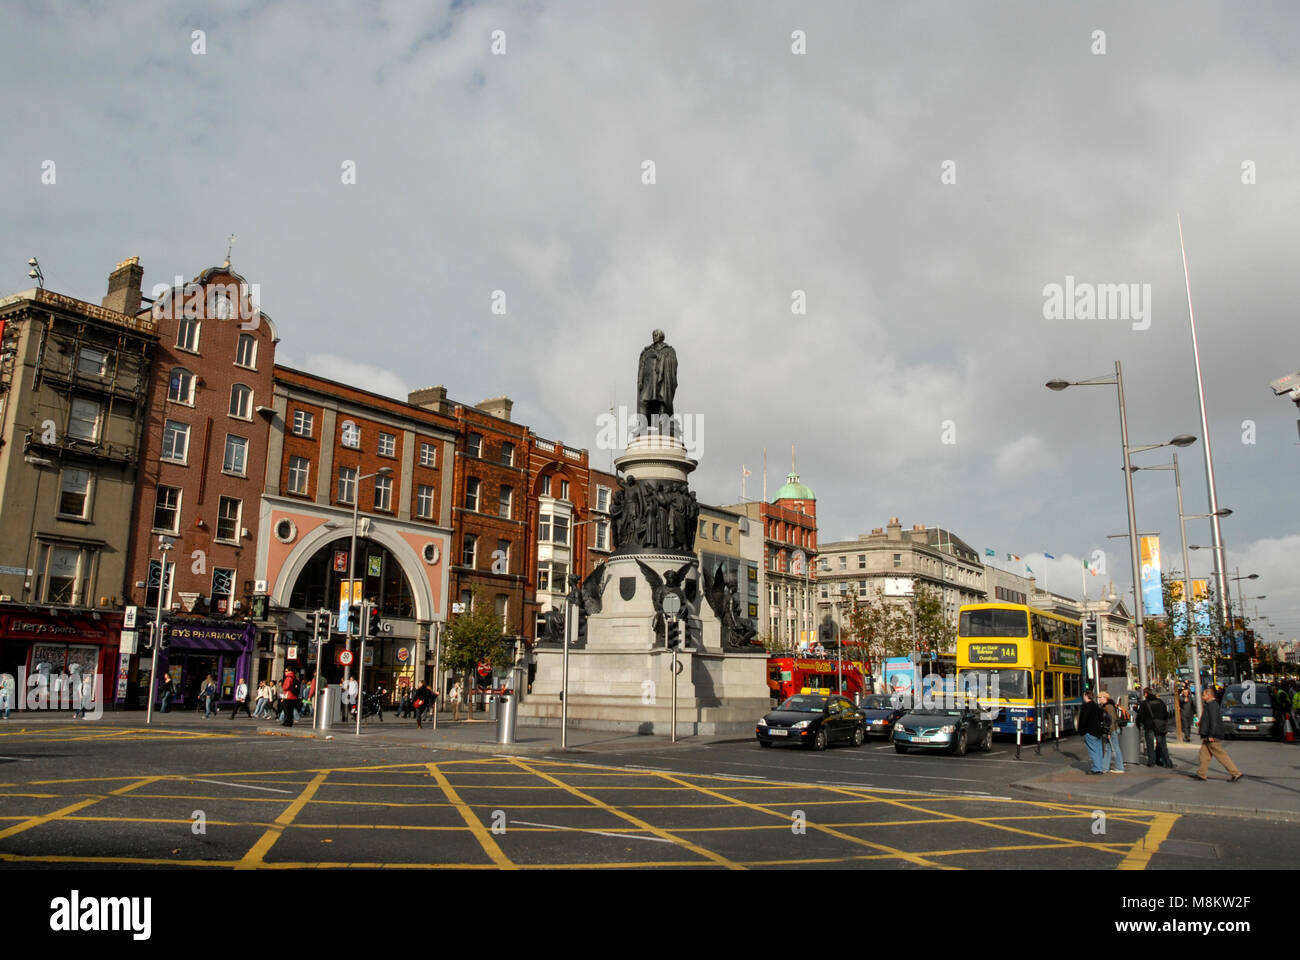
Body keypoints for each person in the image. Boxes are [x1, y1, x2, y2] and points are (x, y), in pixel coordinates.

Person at [1195, 687, 1243, 781]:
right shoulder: (1209, 705)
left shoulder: (1212, 705)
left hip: (1212, 736)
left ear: (1209, 695)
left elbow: (1214, 721)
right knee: (1204, 755)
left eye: (1203, 695)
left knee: (1220, 755)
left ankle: (1236, 773)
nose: (1202, 696)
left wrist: (1211, 735)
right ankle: (1201, 773)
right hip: (1207, 736)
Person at [1138, 687, 1173, 768]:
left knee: (1150, 744)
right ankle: (1167, 762)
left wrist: (1142, 723)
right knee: (1162, 744)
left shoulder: (1144, 703)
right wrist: (1163, 722)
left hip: (1149, 726)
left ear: (1146, 694)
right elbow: (1166, 714)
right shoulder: (1160, 702)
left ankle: (1152, 761)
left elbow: (1140, 716)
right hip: (1160, 725)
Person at [1076, 690, 1106, 774]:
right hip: (1098, 732)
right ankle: (1100, 767)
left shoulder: (1085, 707)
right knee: (1099, 750)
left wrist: (1081, 731)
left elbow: (1083, 720)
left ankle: (1096, 769)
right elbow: (1101, 718)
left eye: (1084, 696)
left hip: (1089, 731)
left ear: (1086, 696)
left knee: (1093, 751)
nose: (1083, 697)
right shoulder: (1097, 706)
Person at [1098, 691, 1124, 773]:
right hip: (1113, 729)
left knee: (1115, 748)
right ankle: (1105, 767)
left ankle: (1120, 767)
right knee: (1108, 748)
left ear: (1104, 698)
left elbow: (1111, 720)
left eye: (1100, 697)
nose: (1098, 699)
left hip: (1112, 730)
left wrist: (1109, 732)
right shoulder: (1109, 705)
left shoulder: (1108, 707)